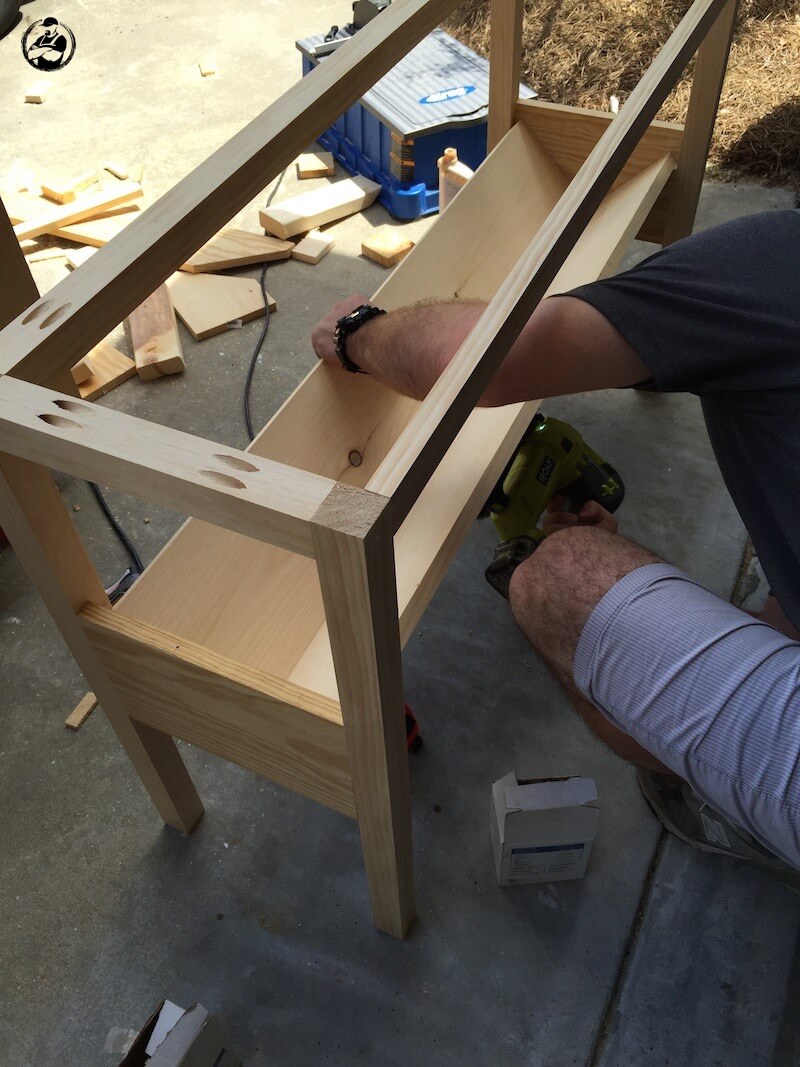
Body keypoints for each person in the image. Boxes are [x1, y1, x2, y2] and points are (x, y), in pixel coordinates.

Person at [312, 208, 800, 889]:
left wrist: (355, 331)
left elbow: (480, 358)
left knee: (561, 575)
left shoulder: (779, 259)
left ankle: (724, 795)